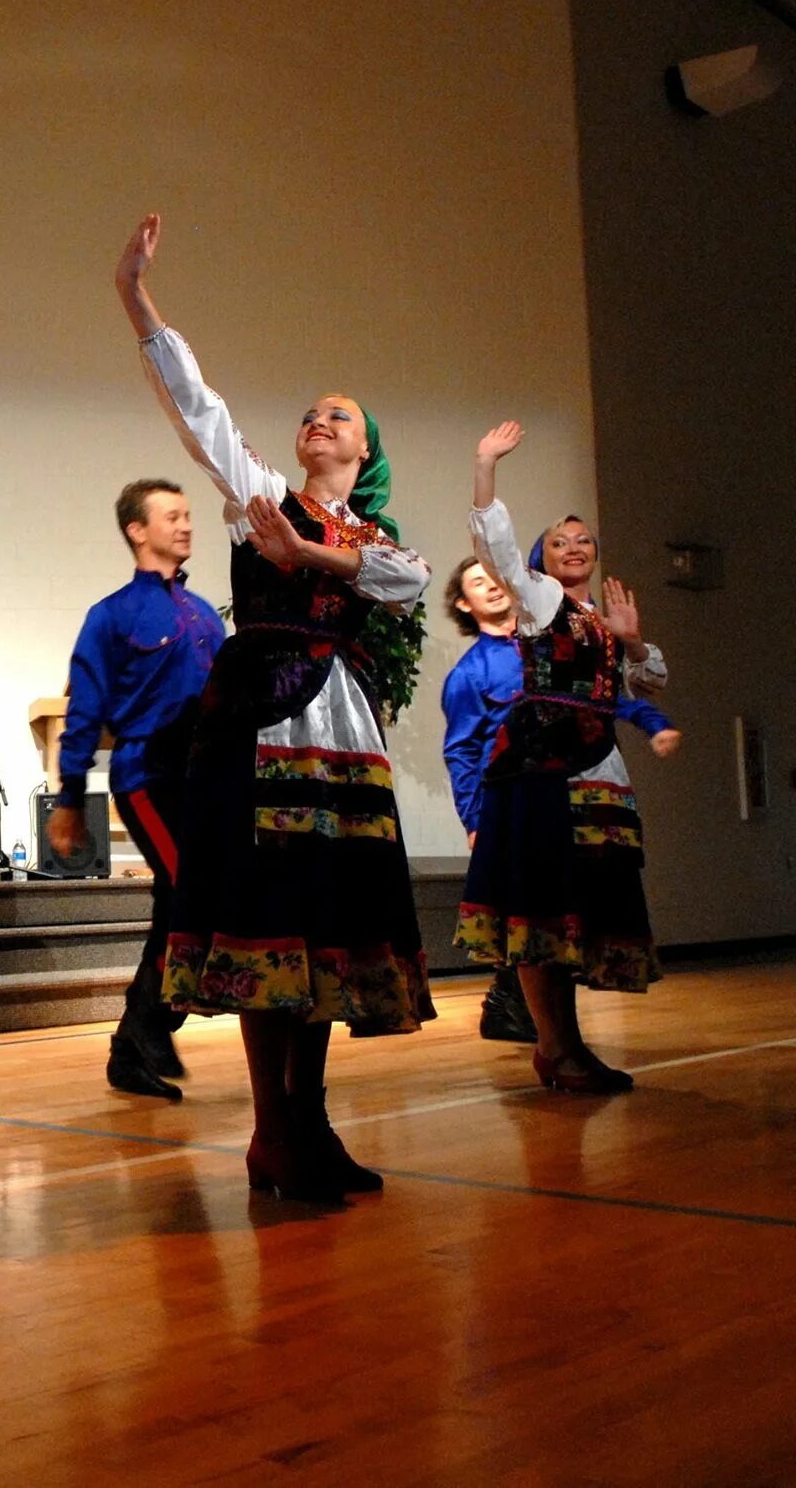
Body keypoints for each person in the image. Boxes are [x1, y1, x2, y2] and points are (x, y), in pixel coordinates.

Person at [115, 212, 434, 1204]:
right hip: (260, 723)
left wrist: (317, 558)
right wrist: (136, 299)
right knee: (269, 917)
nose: (317, 423)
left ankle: (308, 1117)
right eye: (311, 412)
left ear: (364, 450)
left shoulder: (376, 538)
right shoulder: (261, 495)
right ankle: (269, 1129)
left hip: (338, 732)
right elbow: (196, 409)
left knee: (326, 922)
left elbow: (405, 580)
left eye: (337, 417)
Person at [459, 422, 676, 1092]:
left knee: (581, 905)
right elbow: (492, 541)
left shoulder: (606, 618)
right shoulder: (538, 599)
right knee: (543, 908)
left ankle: (566, 1043)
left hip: (598, 772)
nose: (575, 548)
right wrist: (486, 464)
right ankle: (557, 1043)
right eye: (561, 541)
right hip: (544, 770)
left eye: (585, 541)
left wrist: (633, 643)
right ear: (542, 558)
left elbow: (652, 680)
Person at [440, 556, 680, 1044]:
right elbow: (462, 751)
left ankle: (551, 1028)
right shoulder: (471, 672)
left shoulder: (553, 647)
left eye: (495, 577)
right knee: (533, 909)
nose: (492, 587)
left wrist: (656, 724)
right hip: (518, 802)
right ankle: (525, 1014)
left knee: (571, 904)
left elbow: (607, 698)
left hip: (569, 794)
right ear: (464, 603)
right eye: (477, 583)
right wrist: (474, 818)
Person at [46, 478, 226, 1101]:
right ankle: (146, 1029)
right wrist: (71, 798)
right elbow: (84, 710)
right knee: (191, 891)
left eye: (188, 516)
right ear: (136, 529)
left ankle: (138, 1039)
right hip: (149, 773)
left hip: (203, 777)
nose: (185, 525)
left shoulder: (204, 614)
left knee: (185, 900)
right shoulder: (112, 615)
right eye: (172, 516)